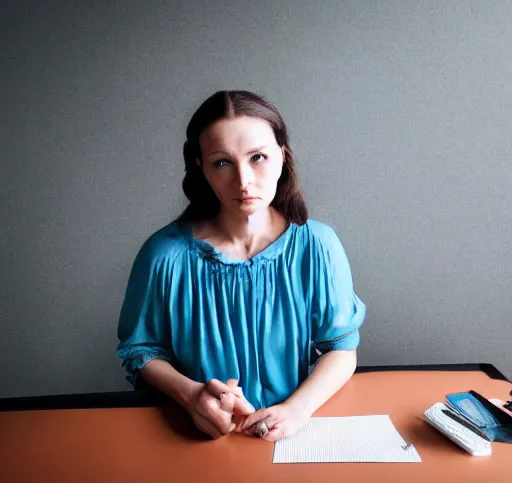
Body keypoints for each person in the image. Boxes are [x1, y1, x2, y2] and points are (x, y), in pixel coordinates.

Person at [116, 90, 366, 441]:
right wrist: (191, 397)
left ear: (282, 157)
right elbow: (141, 351)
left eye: (258, 157)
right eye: (222, 162)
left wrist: (297, 409)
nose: (243, 180)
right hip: (195, 439)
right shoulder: (163, 255)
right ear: (201, 168)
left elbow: (341, 350)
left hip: (293, 437)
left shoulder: (318, 246)